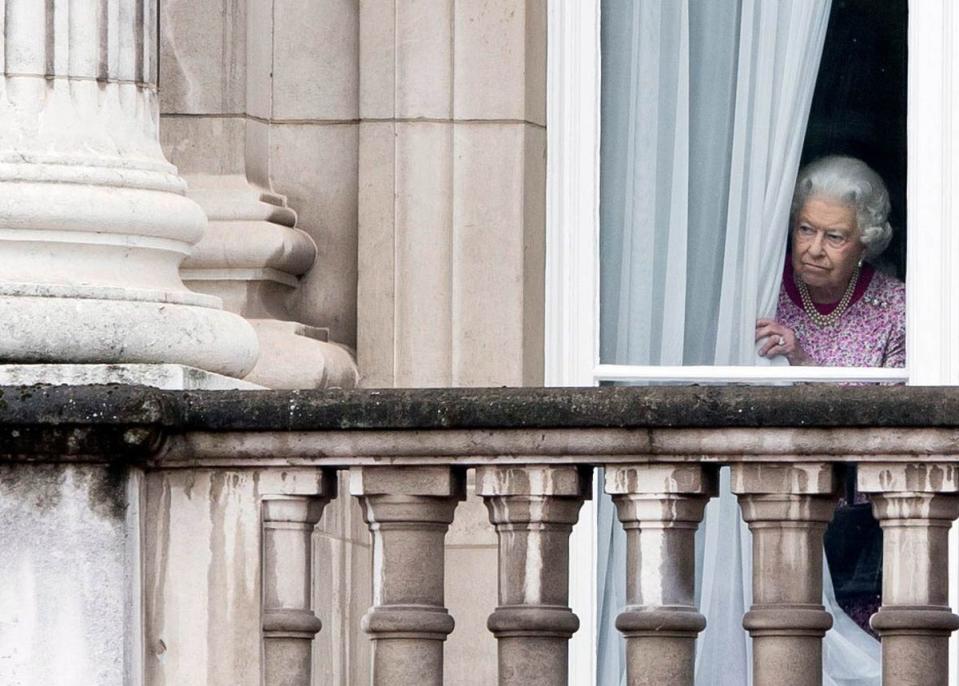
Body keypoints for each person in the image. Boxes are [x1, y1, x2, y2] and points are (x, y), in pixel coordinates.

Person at [755, 155, 905, 368]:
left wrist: (802, 362)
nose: (815, 250)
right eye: (806, 229)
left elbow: (899, 402)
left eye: (834, 236)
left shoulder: (895, 308)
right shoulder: (763, 287)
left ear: (865, 244)